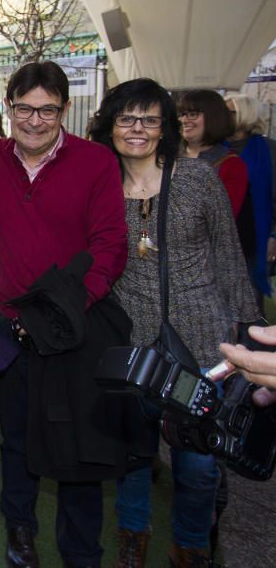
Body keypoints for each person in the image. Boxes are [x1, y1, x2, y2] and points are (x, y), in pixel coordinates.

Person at [90, 78, 259, 567]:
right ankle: (132, 540)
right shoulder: (101, 185)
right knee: (134, 455)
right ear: (110, 125)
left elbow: (230, 258)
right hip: (134, 339)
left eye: (149, 119)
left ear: (165, 126)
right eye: (126, 119)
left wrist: (247, 331)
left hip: (202, 339)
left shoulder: (197, 179)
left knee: (198, 462)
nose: (137, 129)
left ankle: (190, 546)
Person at [0, 61, 128, 568]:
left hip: (71, 330)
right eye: (24, 109)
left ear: (64, 110)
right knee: (16, 440)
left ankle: (80, 551)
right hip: (9, 328)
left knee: (77, 445)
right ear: (9, 109)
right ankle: (19, 532)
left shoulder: (97, 162)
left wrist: (60, 311)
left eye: (47, 110)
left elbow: (110, 248)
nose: (35, 120)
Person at [178, 90, 254, 264]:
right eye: (182, 114)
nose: (184, 120)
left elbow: (220, 222)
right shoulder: (167, 158)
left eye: (193, 114)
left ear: (213, 117)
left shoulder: (231, 165)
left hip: (206, 263)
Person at [225, 92, 276, 299]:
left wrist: (273, 235)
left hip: (253, 236)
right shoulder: (213, 149)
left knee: (249, 300)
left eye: (228, 112)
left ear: (246, 115)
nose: (221, 116)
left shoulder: (269, 150)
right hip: (220, 235)